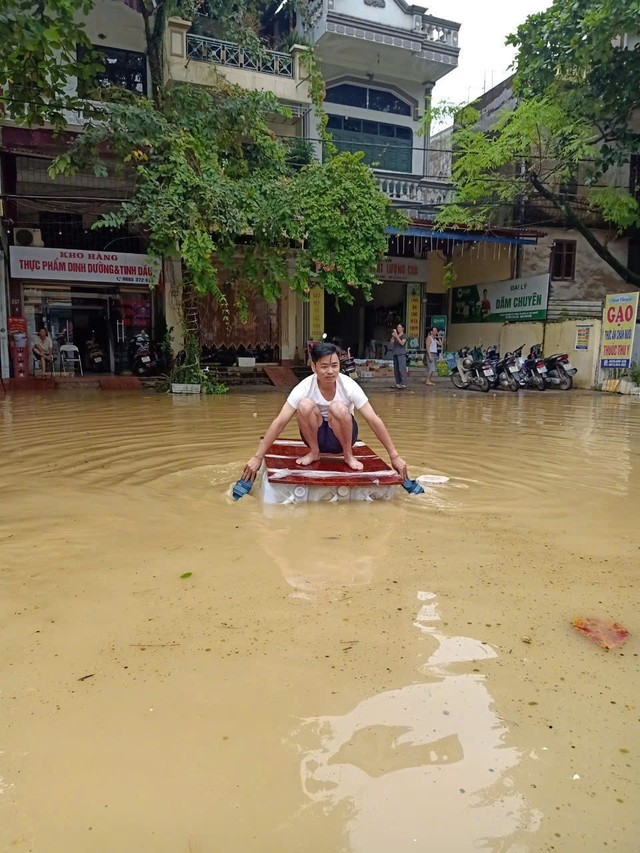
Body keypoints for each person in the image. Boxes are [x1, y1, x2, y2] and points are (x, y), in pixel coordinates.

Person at [242, 342, 408, 482]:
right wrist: (257, 457)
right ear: (313, 367)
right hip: (317, 437)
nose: (330, 371)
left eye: (334, 366)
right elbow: (280, 422)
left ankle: (348, 455)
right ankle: (314, 452)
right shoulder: (304, 387)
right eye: (324, 366)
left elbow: (373, 419)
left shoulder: (349, 386)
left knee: (337, 407)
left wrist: (394, 456)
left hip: (343, 437)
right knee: (305, 405)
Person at [390, 323, 408, 389]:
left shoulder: (404, 335)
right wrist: (393, 336)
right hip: (395, 353)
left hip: (401, 353)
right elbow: (391, 342)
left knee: (401, 369)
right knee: (396, 369)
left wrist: (397, 336)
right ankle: (398, 383)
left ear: (403, 328)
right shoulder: (395, 335)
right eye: (397, 327)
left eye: (400, 327)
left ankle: (403, 383)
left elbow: (402, 343)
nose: (398, 329)